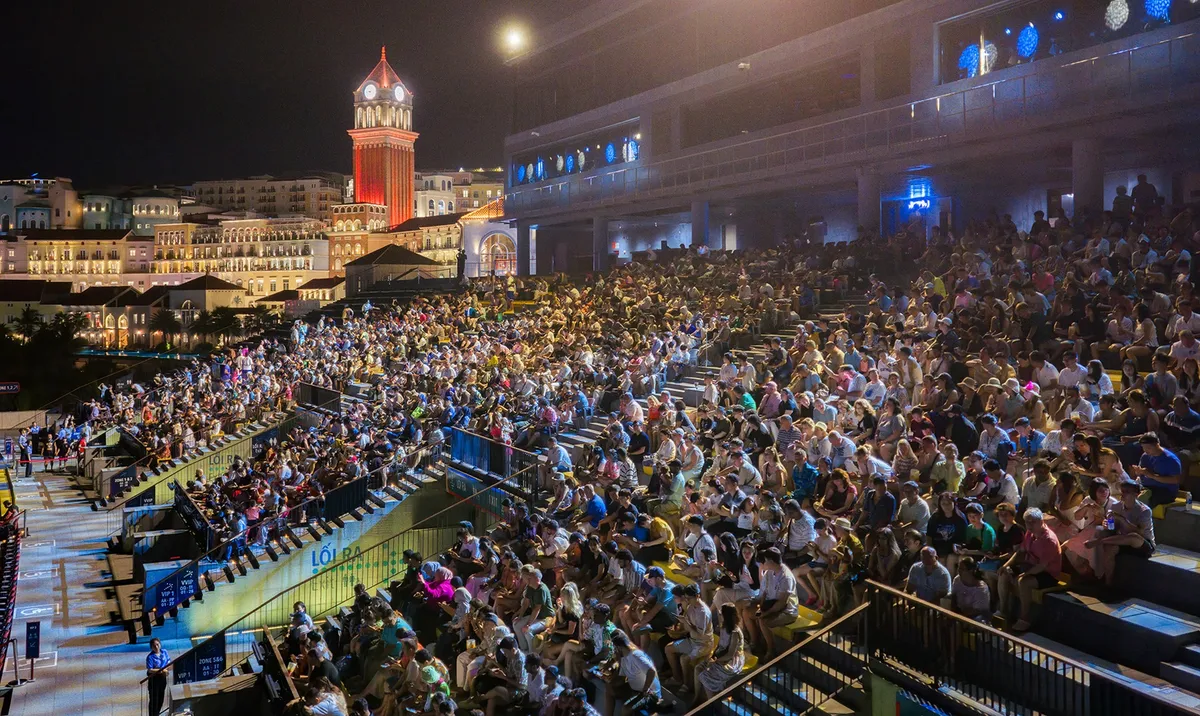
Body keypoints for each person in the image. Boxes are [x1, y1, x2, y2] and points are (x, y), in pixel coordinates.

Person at [998, 507, 1062, 632]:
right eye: (1027, 522)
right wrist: (1006, 565)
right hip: (1030, 566)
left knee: (1024, 582)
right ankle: (1003, 610)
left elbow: (1042, 566)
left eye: (1033, 522)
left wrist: (1024, 574)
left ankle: (1025, 618)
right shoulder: (1030, 533)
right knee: (1004, 573)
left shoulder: (1049, 540)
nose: (1029, 525)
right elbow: (1020, 551)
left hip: (1047, 573)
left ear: (1041, 521)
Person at [1086, 478, 1156, 586]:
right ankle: (1107, 583)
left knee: (1133, 536)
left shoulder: (1144, 510)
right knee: (1109, 548)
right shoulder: (1116, 506)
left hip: (1142, 544)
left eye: (1127, 492)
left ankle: (1100, 541)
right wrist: (1108, 523)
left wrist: (1122, 520)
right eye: (1122, 492)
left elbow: (1140, 533)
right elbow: (1111, 528)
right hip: (1122, 540)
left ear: (1136, 494)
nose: (1123, 495)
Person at [692, 603, 746, 705]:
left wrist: (715, 661)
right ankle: (697, 697)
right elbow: (720, 645)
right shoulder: (723, 627)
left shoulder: (735, 633)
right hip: (720, 655)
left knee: (705, 677)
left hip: (731, 661)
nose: (720, 615)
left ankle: (712, 703)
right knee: (698, 668)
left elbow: (730, 654)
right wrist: (712, 657)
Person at [146, 637, 170, 716]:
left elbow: (168, 662)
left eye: (157, 644)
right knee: (154, 700)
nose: (156, 647)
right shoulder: (150, 657)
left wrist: (164, 669)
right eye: (154, 646)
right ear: (151, 647)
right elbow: (150, 670)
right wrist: (162, 671)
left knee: (161, 699)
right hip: (154, 680)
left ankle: (157, 714)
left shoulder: (164, 652)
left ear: (160, 644)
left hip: (162, 679)